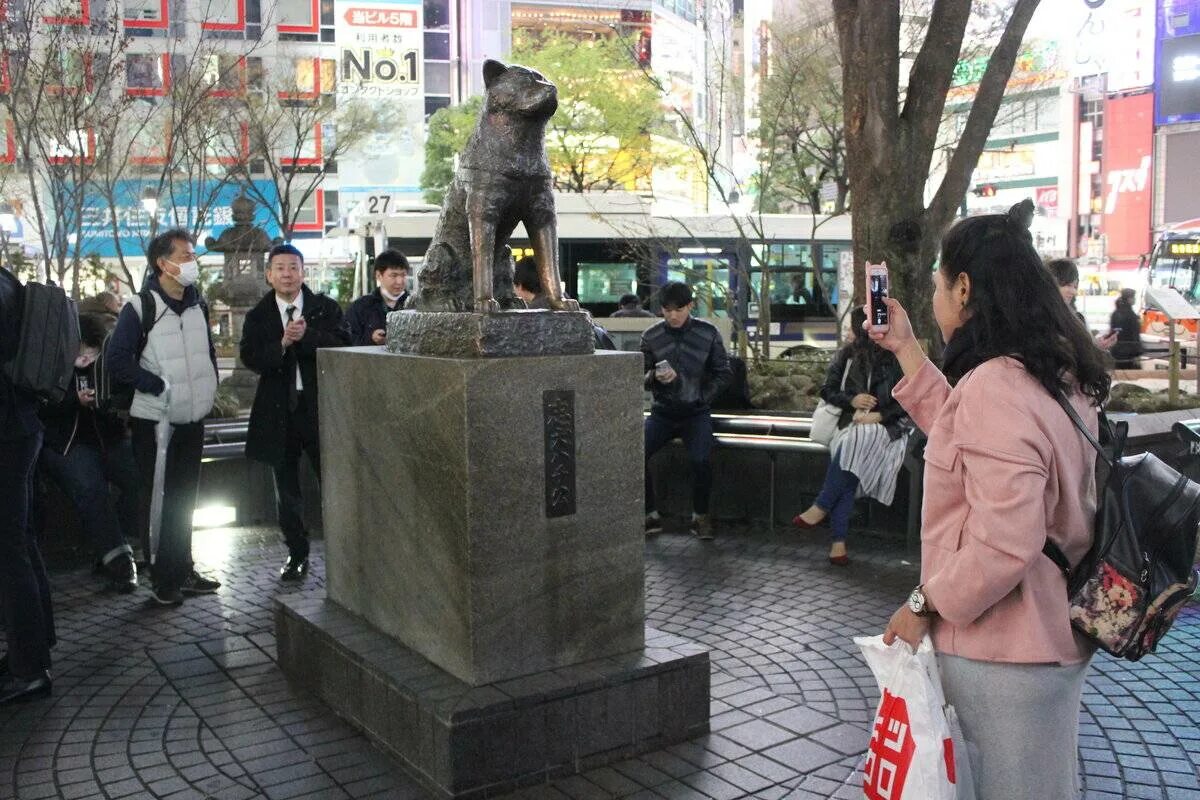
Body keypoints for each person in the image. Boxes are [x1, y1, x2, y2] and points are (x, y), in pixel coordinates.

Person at [871, 200, 1108, 798]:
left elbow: (1006, 540)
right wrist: (906, 350)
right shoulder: (1051, 372)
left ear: (965, 287)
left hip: (1005, 650)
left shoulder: (997, 386)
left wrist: (925, 604)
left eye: (937, 283)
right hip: (1046, 637)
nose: (933, 298)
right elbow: (968, 439)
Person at [108, 228, 222, 605]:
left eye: (192, 255)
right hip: (154, 421)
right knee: (157, 499)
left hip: (192, 418)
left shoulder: (197, 304)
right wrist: (156, 385)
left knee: (184, 498)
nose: (192, 262)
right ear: (164, 263)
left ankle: (183, 568)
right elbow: (118, 362)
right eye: (186, 256)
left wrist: (208, 389)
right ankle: (161, 578)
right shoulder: (140, 308)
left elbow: (205, 353)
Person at [241, 243, 350, 581]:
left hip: (321, 409)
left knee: (333, 482)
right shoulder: (258, 315)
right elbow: (251, 357)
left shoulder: (324, 308)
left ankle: (344, 550)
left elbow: (344, 344)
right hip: (279, 412)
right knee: (286, 487)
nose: (287, 274)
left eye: (293, 267)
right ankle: (297, 553)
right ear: (269, 275)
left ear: (304, 272)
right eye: (280, 268)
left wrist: (308, 337)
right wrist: (283, 345)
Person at [791, 307, 908, 565]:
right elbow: (827, 389)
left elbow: (908, 398)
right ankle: (838, 545)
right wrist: (852, 399)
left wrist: (879, 415)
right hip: (850, 424)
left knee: (853, 446)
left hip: (887, 428)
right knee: (849, 456)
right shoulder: (847, 355)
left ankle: (821, 507)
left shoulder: (896, 356)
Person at [38, 313, 139, 592]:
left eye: (92, 355)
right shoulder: (49, 363)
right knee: (90, 487)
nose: (86, 360)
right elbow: (42, 406)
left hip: (107, 437)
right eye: (82, 354)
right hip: (66, 443)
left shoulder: (109, 361)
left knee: (140, 475)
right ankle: (119, 560)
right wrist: (74, 401)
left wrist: (112, 403)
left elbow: (124, 393)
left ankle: (120, 540)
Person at [0, 267, 55, 704]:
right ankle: (35, 648)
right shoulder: (5, 279)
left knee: (9, 550)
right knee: (20, 540)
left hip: (6, 432)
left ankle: (29, 668)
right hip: (20, 426)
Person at [642, 281, 732, 540]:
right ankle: (650, 514)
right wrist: (655, 378)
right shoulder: (651, 336)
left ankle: (700, 515)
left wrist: (702, 395)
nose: (672, 315)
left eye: (678, 309)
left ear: (690, 306)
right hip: (662, 412)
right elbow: (640, 373)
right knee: (636, 454)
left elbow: (723, 373)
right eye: (667, 310)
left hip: (696, 412)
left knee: (701, 460)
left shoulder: (708, 333)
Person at [1047, 257, 1117, 351]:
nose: (1073, 292)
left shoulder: (1077, 319)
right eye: (1068, 285)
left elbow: (1082, 356)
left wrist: (1097, 346)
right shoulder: (1034, 318)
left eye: (1075, 286)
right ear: (1051, 283)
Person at [345, 249, 409, 346]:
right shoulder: (360, 307)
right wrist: (371, 339)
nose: (399, 281)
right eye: (394, 275)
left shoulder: (415, 306)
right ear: (379, 275)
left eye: (403, 275)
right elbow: (347, 342)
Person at [1110, 288, 1143, 370]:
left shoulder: (1116, 313)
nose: (1135, 299)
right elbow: (1134, 335)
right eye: (1133, 297)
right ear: (1129, 299)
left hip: (1117, 351)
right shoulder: (1130, 315)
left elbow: (1114, 331)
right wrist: (1137, 353)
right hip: (1129, 352)